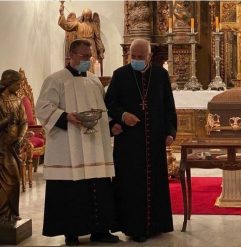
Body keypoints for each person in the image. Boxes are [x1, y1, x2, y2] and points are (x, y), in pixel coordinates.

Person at [35, 39, 119, 245]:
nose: (87, 61)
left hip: (94, 145)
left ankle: (100, 231)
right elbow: (43, 108)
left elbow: (102, 108)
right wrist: (65, 117)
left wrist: (111, 125)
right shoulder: (55, 80)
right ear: (70, 55)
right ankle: (71, 232)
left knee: (99, 186)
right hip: (68, 145)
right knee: (71, 192)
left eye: (89, 57)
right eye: (83, 56)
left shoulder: (94, 81)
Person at [105, 38, 177, 242]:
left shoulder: (161, 75)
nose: (136, 60)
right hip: (129, 141)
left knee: (155, 182)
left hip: (154, 140)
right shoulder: (120, 75)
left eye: (140, 57)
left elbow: (168, 107)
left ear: (150, 56)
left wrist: (170, 132)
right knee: (130, 184)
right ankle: (133, 227)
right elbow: (109, 103)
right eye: (133, 56)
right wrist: (122, 116)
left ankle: (156, 224)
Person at [0, 70, 27, 224]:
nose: (19, 86)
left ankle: (12, 213)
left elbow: (23, 122)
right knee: (9, 181)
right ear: (8, 83)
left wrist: (20, 137)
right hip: (2, 147)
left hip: (14, 146)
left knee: (15, 181)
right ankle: (3, 214)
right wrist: (5, 121)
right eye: (17, 83)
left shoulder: (17, 100)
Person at [58, 4, 105, 74]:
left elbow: (98, 38)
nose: (87, 17)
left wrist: (100, 50)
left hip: (91, 47)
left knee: (91, 65)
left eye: (88, 15)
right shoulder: (78, 24)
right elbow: (67, 26)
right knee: (82, 66)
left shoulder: (93, 25)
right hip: (81, 46)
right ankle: (82, 78)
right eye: (85, 15)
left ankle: (91, 79)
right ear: (83, 15)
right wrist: (62, 13)